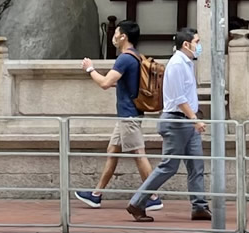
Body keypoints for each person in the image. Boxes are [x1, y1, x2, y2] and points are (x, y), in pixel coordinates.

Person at [75, 21, 162, 211]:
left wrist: (90, 69)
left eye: (116, 33)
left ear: (123, 36)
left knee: (139, 154)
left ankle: (153, 196)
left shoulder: (124, 58)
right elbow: (122, 83)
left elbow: (105, 83)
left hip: (128, 115)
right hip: (128, 114)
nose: (113, 36)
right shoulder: (137, 57)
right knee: (112, 152)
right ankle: (96, 195)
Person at [126, 28, 210, 223]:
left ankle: (199, 206)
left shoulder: (187, 63)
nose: (199, 45)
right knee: (168, 166)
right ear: (186, 44)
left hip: (186, 121)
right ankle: (137, 202)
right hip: (177, 121)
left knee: (196, 165)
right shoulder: (177, 64)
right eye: (197, 42)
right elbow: (179, 97)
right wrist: (194, 118)